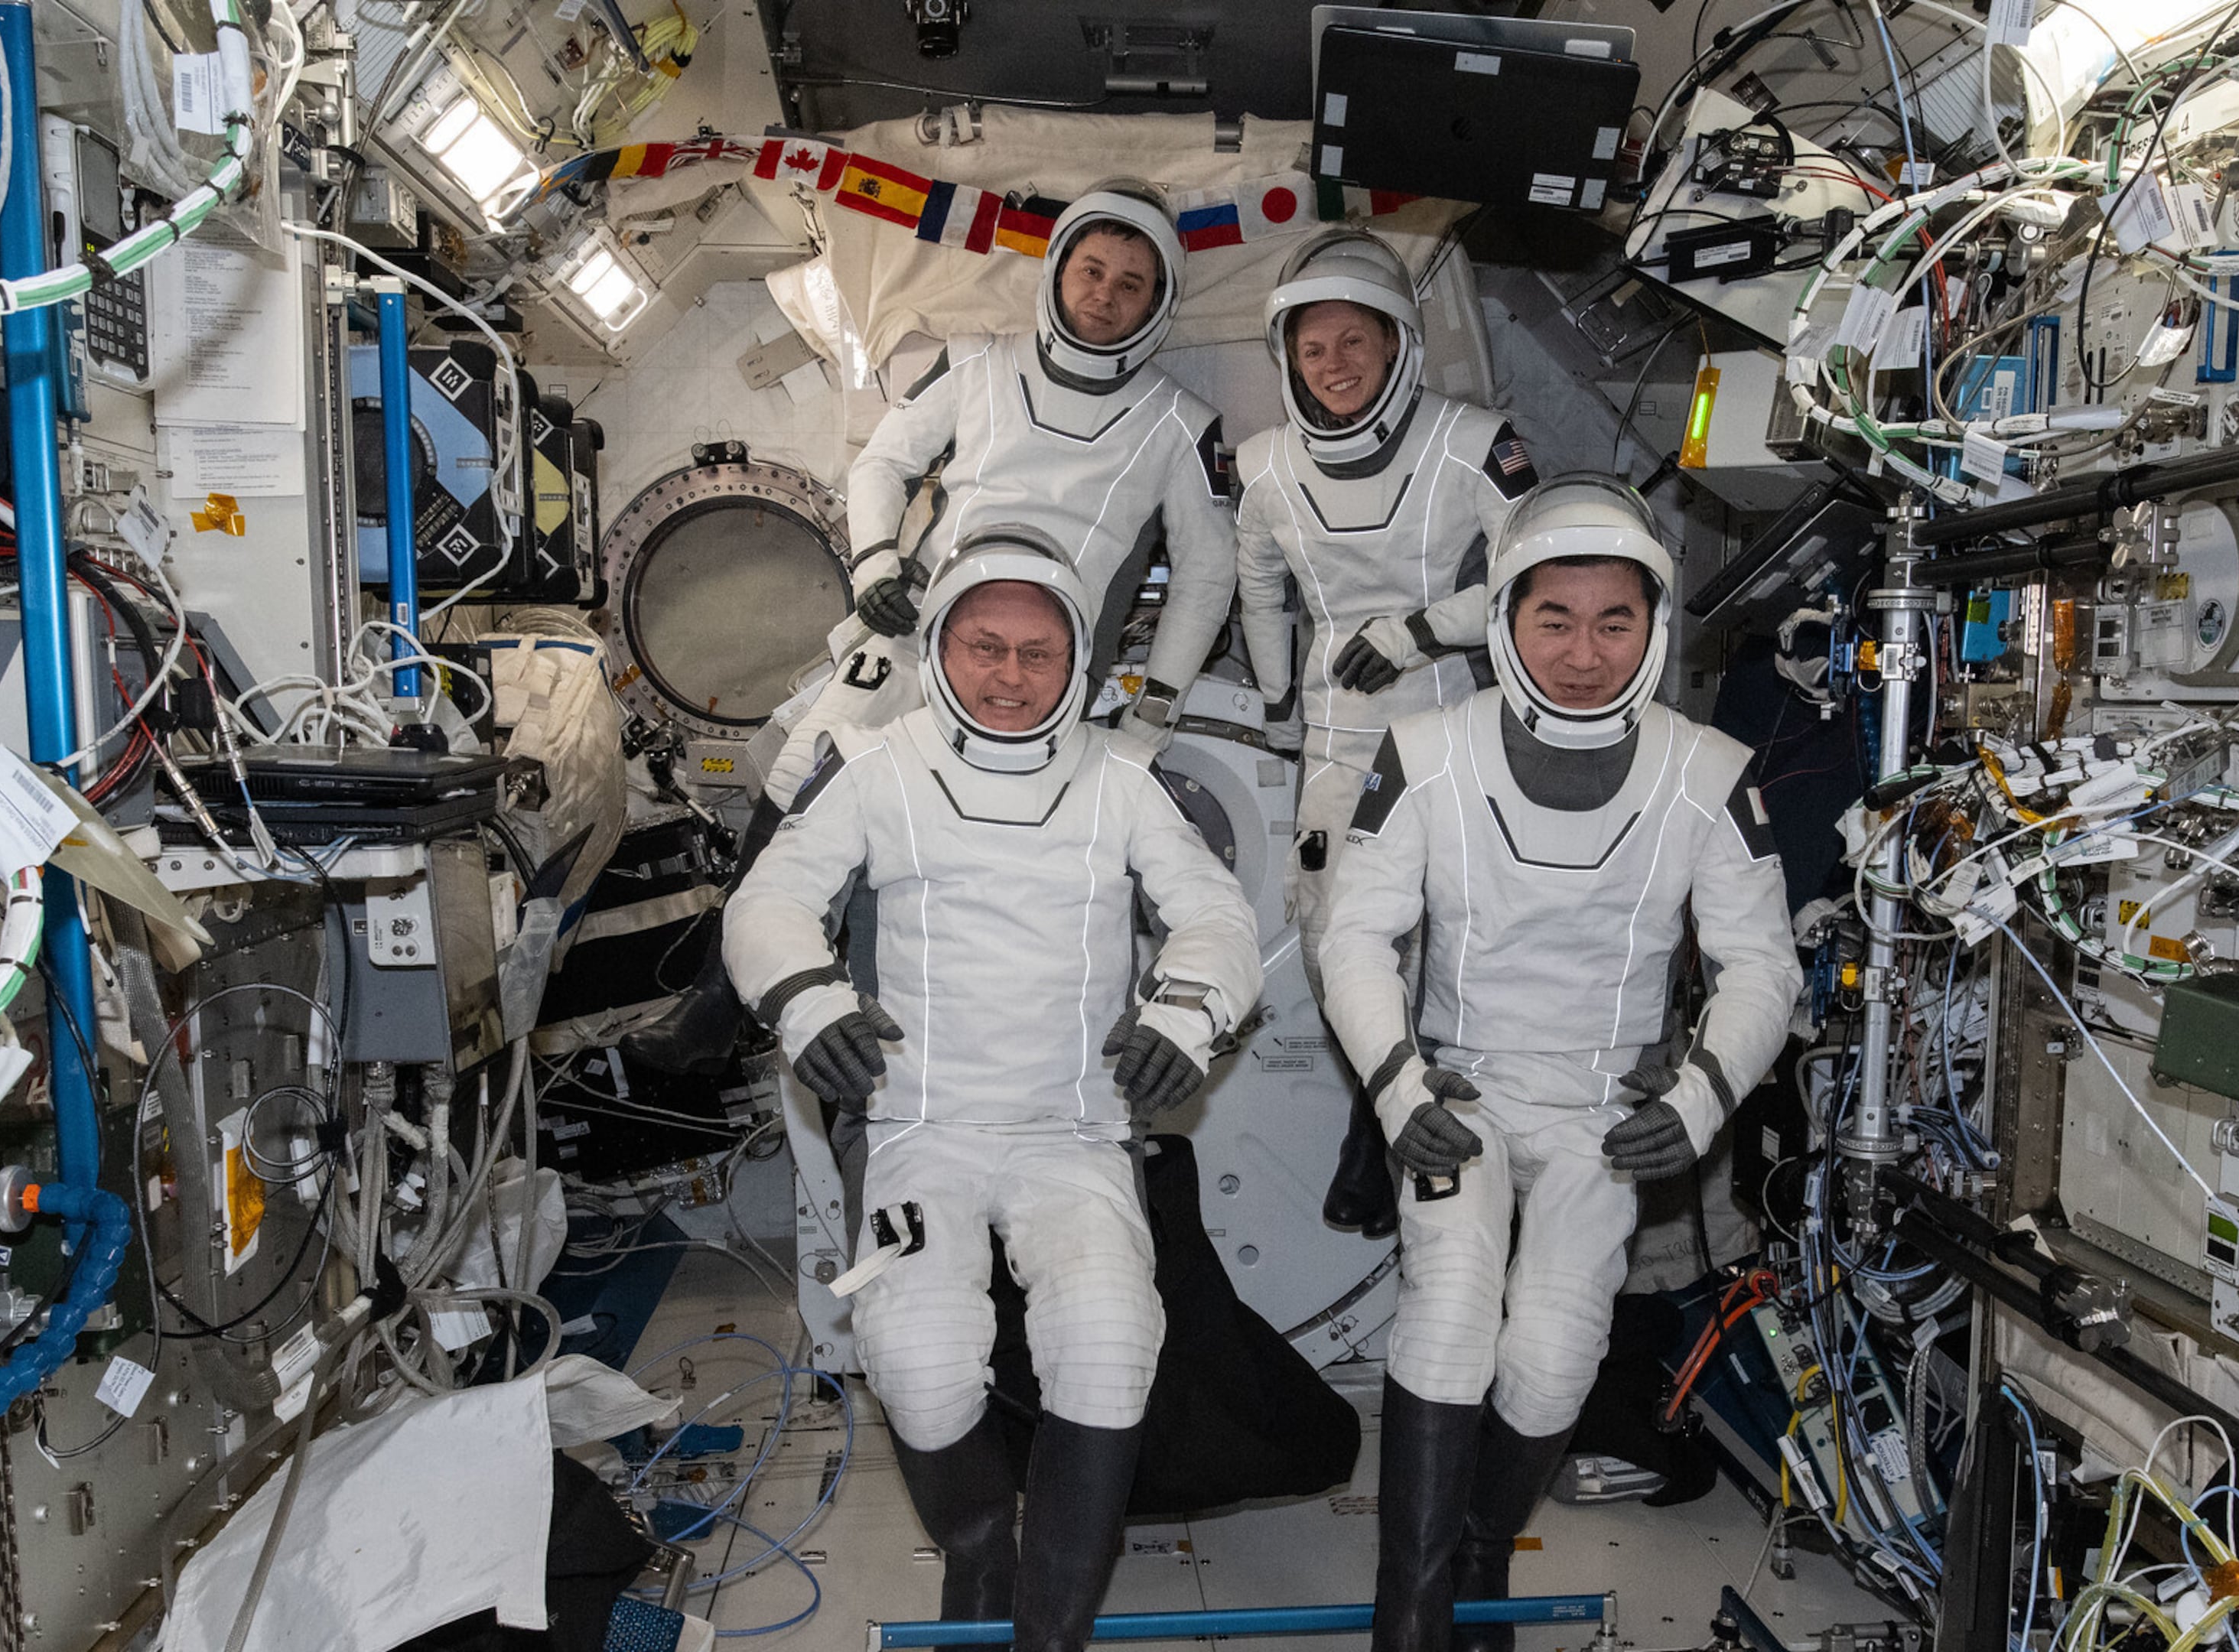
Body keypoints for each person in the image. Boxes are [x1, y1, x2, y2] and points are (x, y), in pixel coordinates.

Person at [722, 528, 1261, 1652]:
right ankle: (979, 1543)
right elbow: (765, 906)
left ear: (1075, 664)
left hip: (1072, 1129)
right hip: (921, 1128)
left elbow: (1217, 916)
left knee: (1110, 1340)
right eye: (983, 648)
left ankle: (1049, 1633)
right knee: (916, 1354)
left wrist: (1185, 1010)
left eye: (1037, 653)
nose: (1010, 678)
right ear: (941, 645)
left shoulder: (1119, 781)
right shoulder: (877, 769)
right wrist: (810, 1003)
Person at [1313, 476, 1804, 1652]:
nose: (1584, 654)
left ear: (1654, 629)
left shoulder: (1710, 771)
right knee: (1447, 1321)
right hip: (1457, 1097)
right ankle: (1412, 1614)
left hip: (1607, 1112)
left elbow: (1763, 969)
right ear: (1506, 623)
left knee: (1546, 1364)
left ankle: (1478, 1555)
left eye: (1614, 622)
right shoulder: (1424, 753)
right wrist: (1395, 1081)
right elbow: (1353, 934)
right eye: (1554, 620)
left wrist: (1698, 1097)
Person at [626, 181, 1238, 1074]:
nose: (1104, 295)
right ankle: (722, 1007)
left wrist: (1155, 710)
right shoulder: (979, 366)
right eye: (1091, 271)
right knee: (803, 777)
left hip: (1040, 681)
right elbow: (883, 463)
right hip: (919, 634)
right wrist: (875, 565)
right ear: (1059, 271)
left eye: (1132, 284)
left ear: (1159, 303)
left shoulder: (1179, 426)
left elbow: (1209, 570)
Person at [1230, 228, 1541, 1237]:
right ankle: (1382, 1107)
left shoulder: (1470, 442)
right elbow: (1256, 569)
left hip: (1447, 724)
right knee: (1330, 922)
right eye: (1315, 350)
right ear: (1288, 362)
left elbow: (1538, 567)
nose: (1336, 367)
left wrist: (1420, 631)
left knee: (1448, 931)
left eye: (1355, 342)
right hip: (1338, 740)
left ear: (1399, 342)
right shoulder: (1269, 464)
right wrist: (1278, 682)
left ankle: (1433, 1132)